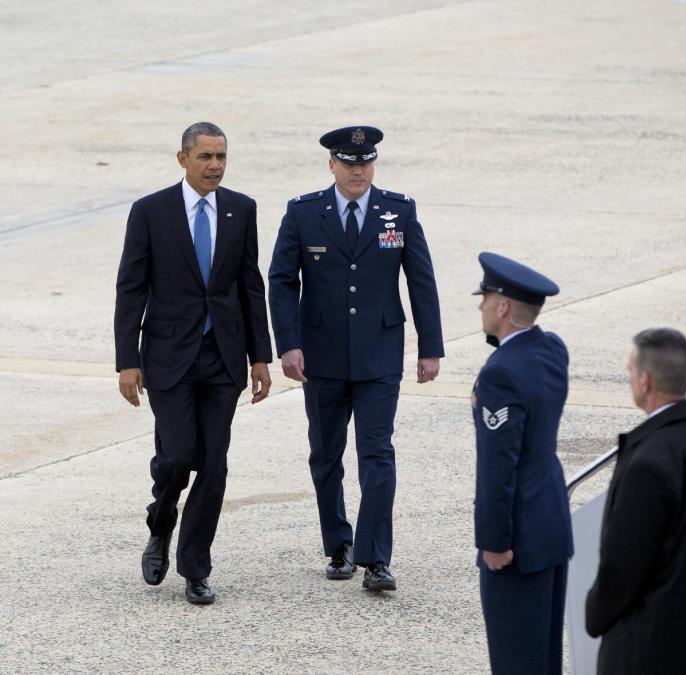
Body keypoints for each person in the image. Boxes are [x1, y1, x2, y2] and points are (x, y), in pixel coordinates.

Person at [268, 126, 443, 592]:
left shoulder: (398, 211)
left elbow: (421, 281)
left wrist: (431, 347)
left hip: (379, 356)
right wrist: (287, 343)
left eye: (365, 162)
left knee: (377, 454)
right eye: (348, 162)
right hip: (320, 357)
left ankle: (376, 558)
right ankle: (339, 545)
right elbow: (282, 280)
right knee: (326, 455)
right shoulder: (304, 213)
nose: (357, 170)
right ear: (332, 165)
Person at [114, 122, 273, 604]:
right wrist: (127, 360)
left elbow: (250, 285)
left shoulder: (241, 209)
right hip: (167, 356)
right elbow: (131, 287)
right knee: (178, 455)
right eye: (205, 157)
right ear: (182, 159)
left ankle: (195, 568)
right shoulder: (150, 212)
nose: (215, 166)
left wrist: (260, 355)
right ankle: (160, 523)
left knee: (214, 463)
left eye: (221, 156)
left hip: (222, 356)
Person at [585, 328, 686, 674]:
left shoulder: (649, 460)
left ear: (645, 381)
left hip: (650, 650)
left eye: (630, 371)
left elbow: (623, 564)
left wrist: (595, 614)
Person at [471, 252, 573, 675]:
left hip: (518, 540)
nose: (480, 308)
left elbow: (499, 467)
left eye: (485, 299)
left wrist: (494, 540)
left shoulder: (501, 374)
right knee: (544, 658)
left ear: (503, 307)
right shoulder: (551, 351)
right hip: (550, 525)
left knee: (516, 661)